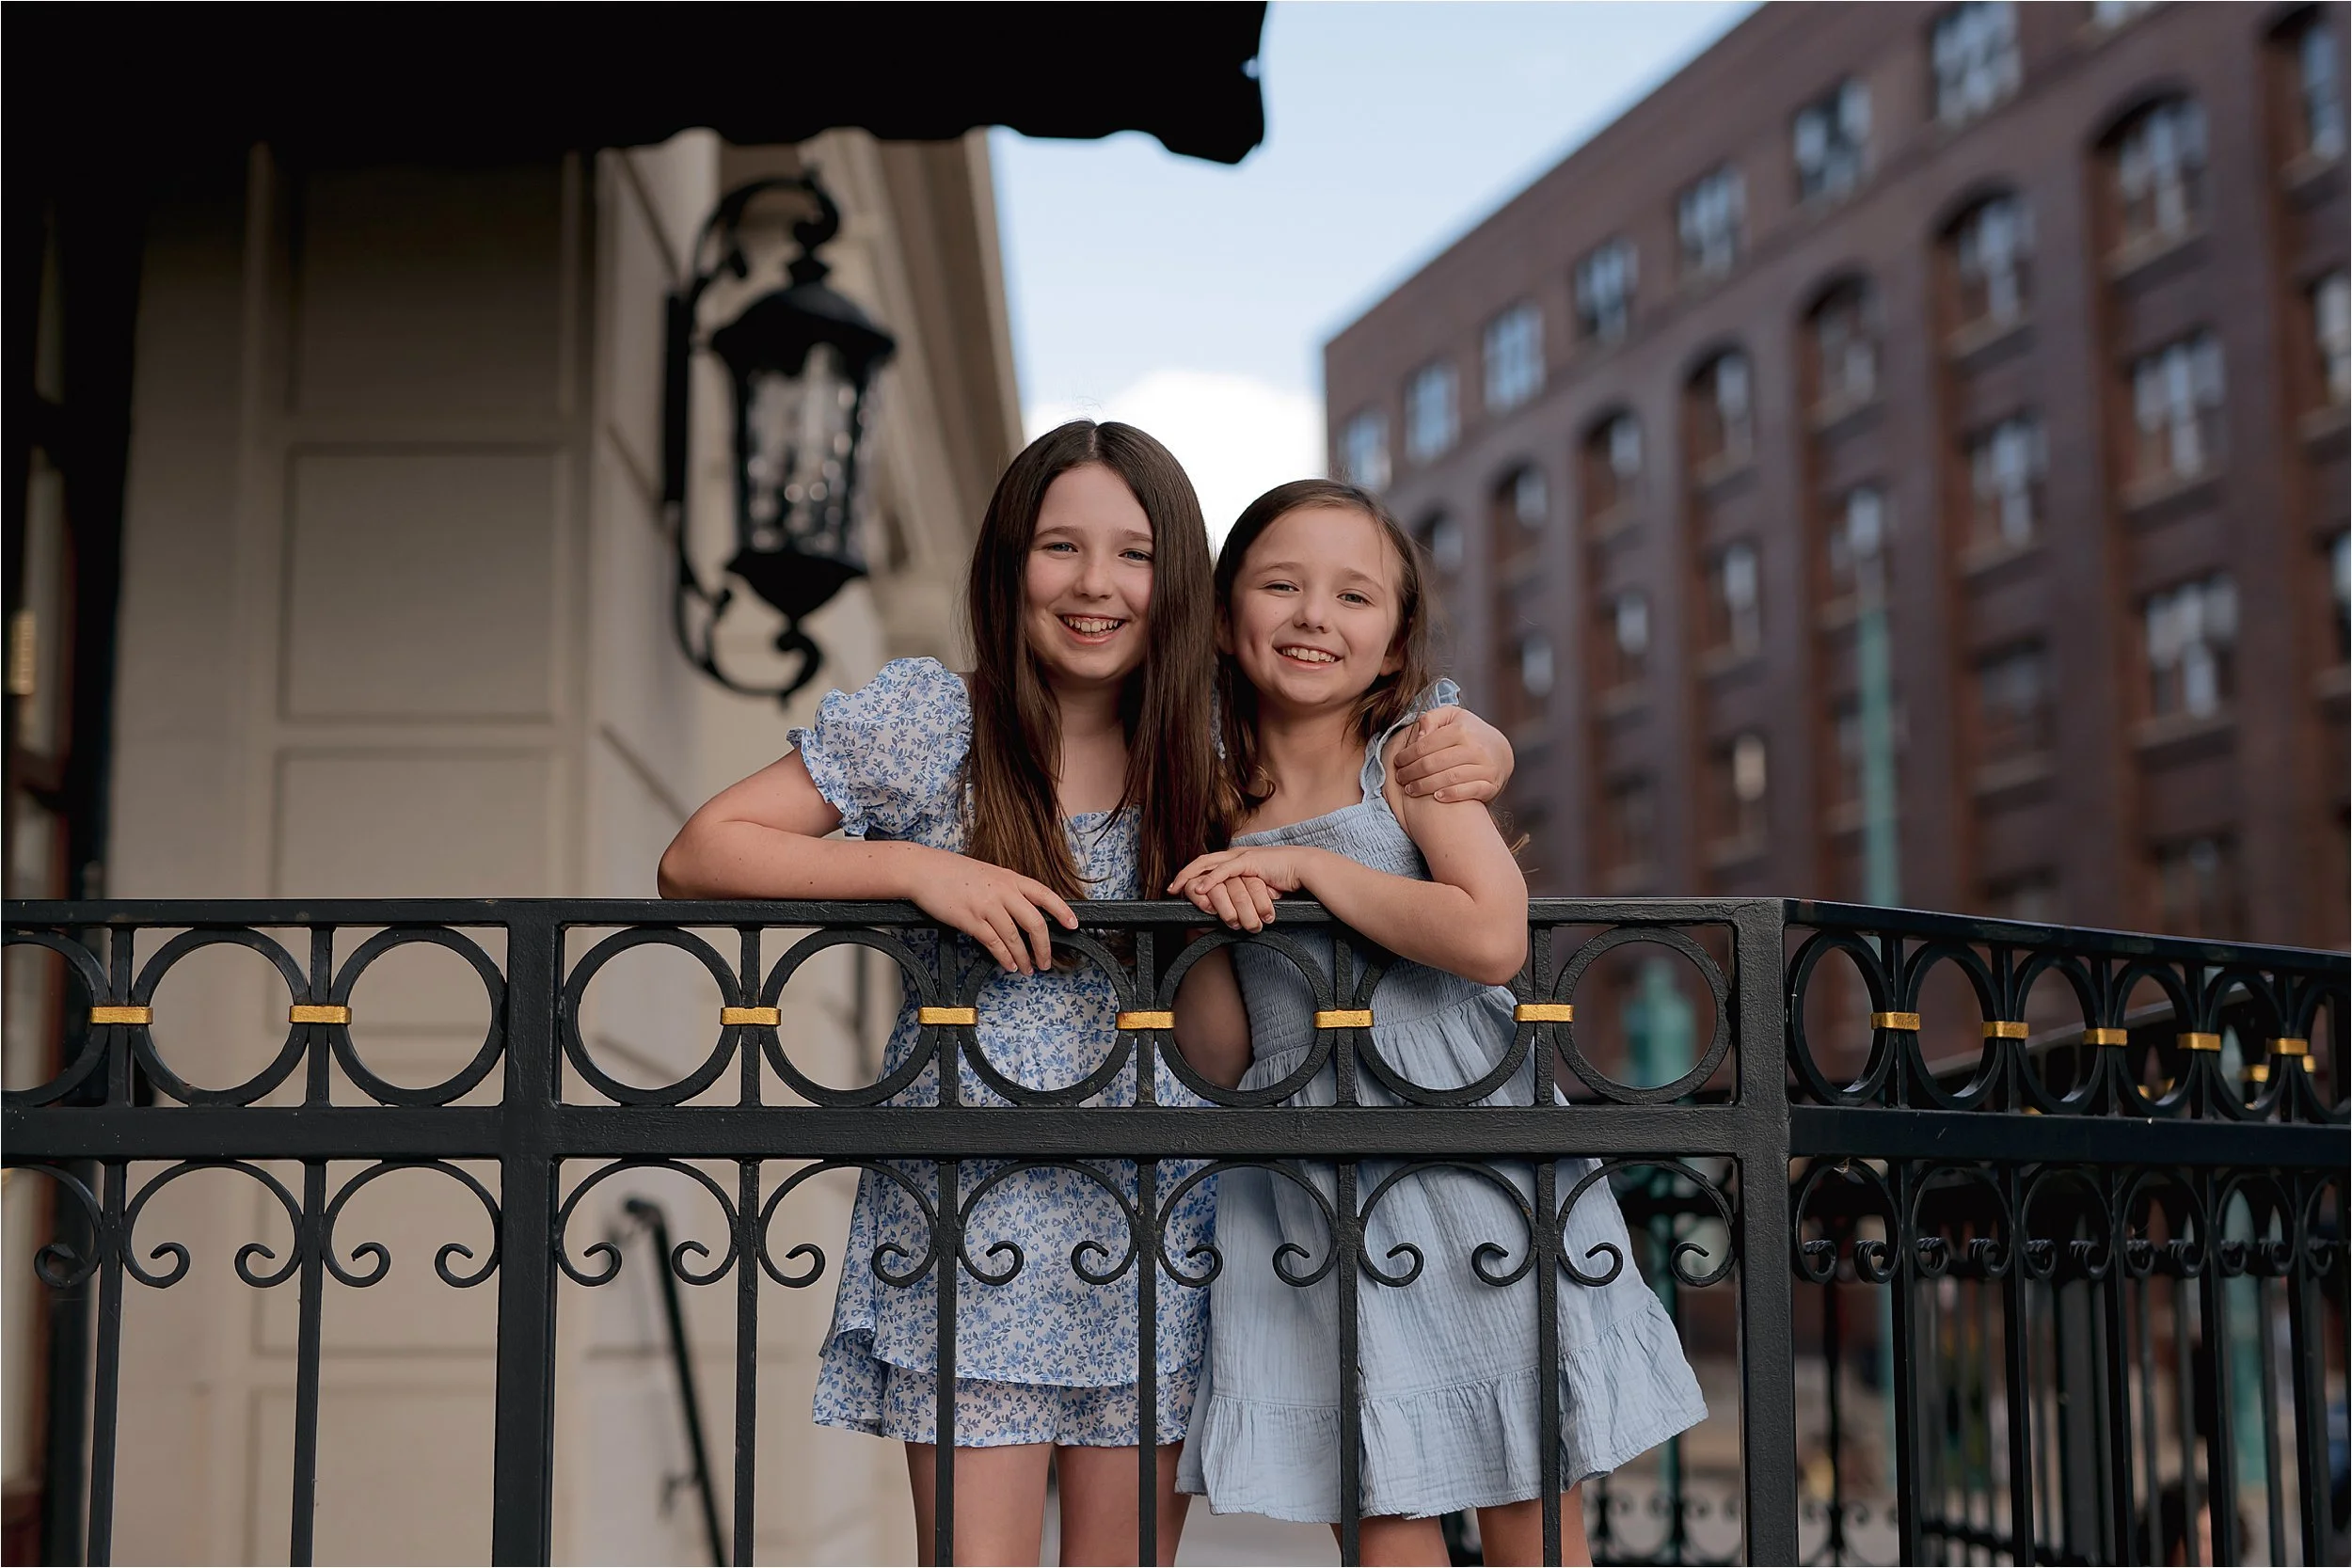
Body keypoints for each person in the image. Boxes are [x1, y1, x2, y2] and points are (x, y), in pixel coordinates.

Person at [658, 427, 1519, 1565]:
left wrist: (1479, 745)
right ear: (1011, 564)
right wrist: (920, 867)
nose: (1095, 584)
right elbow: (702, 851)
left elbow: (1373, 734)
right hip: (973, 1222)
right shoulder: (936, 724)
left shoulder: (1216, 738)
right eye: (1061, 546)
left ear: (1180, 586)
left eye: (1134, 552)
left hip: (1164, 1220)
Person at [1168, 479, 1707, 1567]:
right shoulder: (1211, 796)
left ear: (1393, 638)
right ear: (1226, 619)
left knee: (1523, 1489)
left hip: (1469, 1156)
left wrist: (1309, 867)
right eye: (1281, 584)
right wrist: (1195, 922)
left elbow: (1489, 934)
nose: (1316, 613)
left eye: (1353, 594)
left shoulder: (1411, 759)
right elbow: (1221, 1054)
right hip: (1309, 1179)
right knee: (1379, 1500)